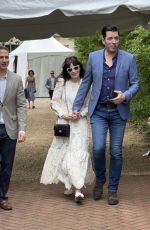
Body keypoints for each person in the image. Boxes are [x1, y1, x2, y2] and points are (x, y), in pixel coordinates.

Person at [72, 25, 139, 205]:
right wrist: (77, 106)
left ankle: (112, 189)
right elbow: (85, 84)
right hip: (99, 111)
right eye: (110, 38)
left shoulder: (129, 58)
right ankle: (100, 179)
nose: (114, 42)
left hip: (119, 112)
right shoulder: (94, 57)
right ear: (103, 40)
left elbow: (135, 83)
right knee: (98, 148)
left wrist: (125, 95)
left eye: (116, 38)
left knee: (116, 152)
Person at [41, 56, 94, 203]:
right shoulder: (62, 83)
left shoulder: (87, 83)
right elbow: (54, 102)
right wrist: (64, 114)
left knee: (78, 154)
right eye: (69, 69)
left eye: (76, 67)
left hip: (80, 124)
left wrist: (81, 114)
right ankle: (68, 183)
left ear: (80, 68)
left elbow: (91, 103)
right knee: (65, 155)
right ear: (66, 70)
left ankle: (78, 189)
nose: (73, 71)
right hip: (65, 123)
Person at [0, 46, 27, 210]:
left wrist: (22, 128)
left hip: (9, 128)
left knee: (7, 165)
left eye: (6, 57)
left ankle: (2, 197)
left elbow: (22, 105)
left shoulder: (16, 79)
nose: (4, 60)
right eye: (1, 57)